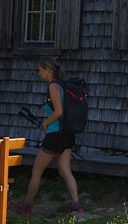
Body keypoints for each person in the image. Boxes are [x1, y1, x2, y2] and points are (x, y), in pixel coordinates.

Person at [18, 56, 83, 214]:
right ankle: (76, 204)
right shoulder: (63, 86)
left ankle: (26, 206)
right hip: (67, 134)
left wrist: (46, 123)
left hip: (55, 135)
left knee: (37, 171)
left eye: (40, 70)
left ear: (48, 70)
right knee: (64, 170)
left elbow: (58, 111)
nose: (39, 74)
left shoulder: (53, 86)